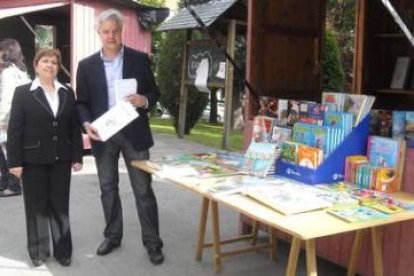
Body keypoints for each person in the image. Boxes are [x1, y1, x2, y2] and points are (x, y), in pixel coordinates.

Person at [76, 9, 164, 265]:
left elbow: (154, 92)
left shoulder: (139, 59)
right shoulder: (86, 65)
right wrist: (86, 122)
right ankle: (113, 236)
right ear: (99, 33)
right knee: (107, 188)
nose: (111, 36)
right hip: (103, 136)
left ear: (121, 31)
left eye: (115, 30)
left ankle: (153, 243)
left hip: (134, 133)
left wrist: (144, 100)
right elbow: (82, 102)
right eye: (106, 32)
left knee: (143, 190)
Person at [7, 48, 83, 267]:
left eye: (54, 62)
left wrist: (77, 156)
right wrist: (15, 162)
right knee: (36, 206)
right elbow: (15, 130)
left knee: (60, 205)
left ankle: (63, 251)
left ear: (58, 67)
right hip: (32, 160)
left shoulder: (67, 92)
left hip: (61, 158)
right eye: (45, 61)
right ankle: (39, 251)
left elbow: (73, 127)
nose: (50, 65)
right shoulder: (23, 92)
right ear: (36, 65)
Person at [0, 38, 31, 197]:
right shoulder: (22, 71)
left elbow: (7, 98)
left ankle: (12, 185)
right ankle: (7, 183)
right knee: (11, 151)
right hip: (22, 117)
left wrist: (1, 120)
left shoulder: (8, 73)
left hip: (10, 118)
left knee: (6, 152)